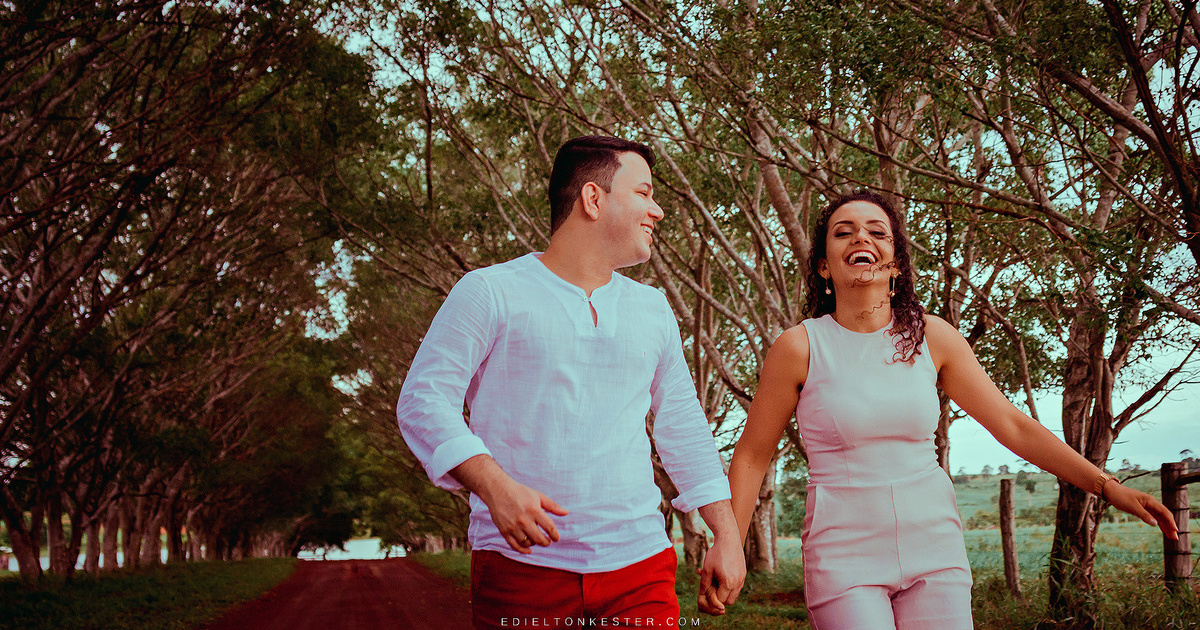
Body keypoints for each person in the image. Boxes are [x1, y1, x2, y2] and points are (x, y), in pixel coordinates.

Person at [716, 190, 1179, 629]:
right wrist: (729, 545)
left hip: (934, 549)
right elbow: (753, 455)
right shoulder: (799, 346)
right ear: (822, 266)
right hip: (844, 557)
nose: (862, 238)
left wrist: (1106, 486)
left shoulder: (931, 336)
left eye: (878, 232)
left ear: (895, 261)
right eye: (844, 232)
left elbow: (1013, 426)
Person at [396, 135, 746, 628]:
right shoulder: (489, 292)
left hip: (641, 569)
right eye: (644, 193)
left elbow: (682, 425)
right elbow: (423, 401)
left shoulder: (653, 310)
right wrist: (495, 488)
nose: (658, 210)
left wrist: (726, 536)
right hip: (522, 569)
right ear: (592, 198)